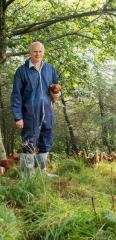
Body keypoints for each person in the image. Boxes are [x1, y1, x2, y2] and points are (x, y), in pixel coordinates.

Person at [11, 42, 60, 177]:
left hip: (47, 112)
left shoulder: (49, 69)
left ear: (43, 52)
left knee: (46, 140)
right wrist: (18, 116)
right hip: (29, 114)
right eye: (35, 51)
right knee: (29, 142)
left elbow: (56, 86)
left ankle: (41, 172)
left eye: (40, 51)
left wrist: (56, 94)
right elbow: (16, 95)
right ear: (30, 53)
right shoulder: (22, 71)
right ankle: (27, 175)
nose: (38, 54)